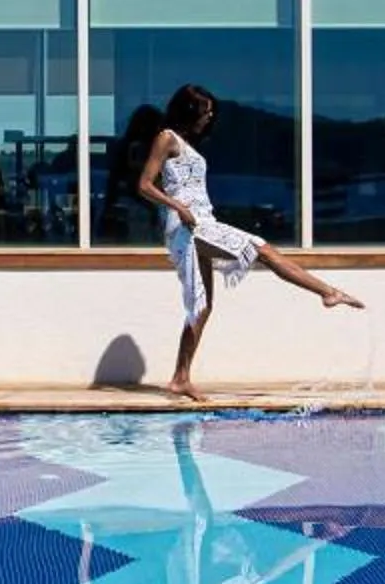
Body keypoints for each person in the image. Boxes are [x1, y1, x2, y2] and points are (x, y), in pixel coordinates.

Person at [121, 84, 362, 401]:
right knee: (261, 248)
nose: (208, 118)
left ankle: (180, 378)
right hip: (187, 228)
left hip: (201, 223)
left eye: (210, 113)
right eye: (205, 112)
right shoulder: (167, 137)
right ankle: (327, 292)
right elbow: (144, 185)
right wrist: (179, 207)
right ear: (189, 110)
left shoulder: (187, 145)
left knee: (203, 306)